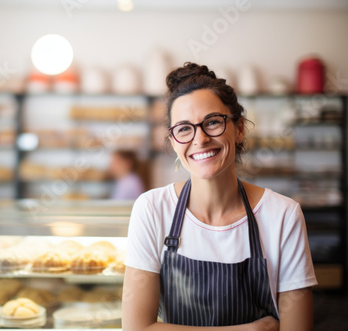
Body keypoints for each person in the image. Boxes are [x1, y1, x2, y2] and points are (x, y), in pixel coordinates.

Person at [122, 63, 317, 331]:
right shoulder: (152, 209)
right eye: (183, 128)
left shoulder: (283, 215)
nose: (199, 139)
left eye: (212, 122)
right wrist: (250, 330)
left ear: (239, 130)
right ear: (173, 142)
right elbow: (137, 329)